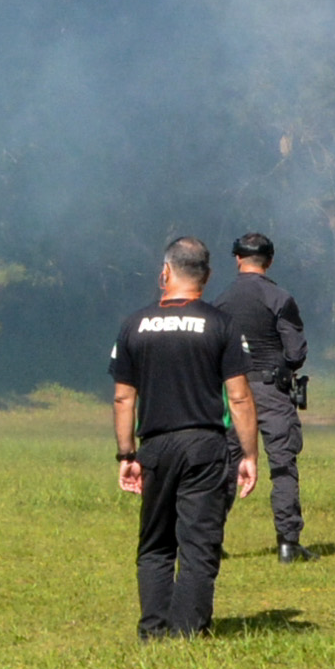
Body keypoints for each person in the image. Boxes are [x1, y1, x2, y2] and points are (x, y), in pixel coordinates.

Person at [111, 238, 263, 639]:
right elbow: (239, 396)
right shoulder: (221, 324)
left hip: (155, 446)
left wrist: (127, 454)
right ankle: (188, 632)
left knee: (156, 544)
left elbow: (124, 398)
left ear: (165, 272)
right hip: (204, 446)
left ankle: (153, 629)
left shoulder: (134, 325)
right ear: (207, 276)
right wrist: (249, 454)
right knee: (198, 544)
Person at [205, 232, 310, 560]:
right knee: (282, 464)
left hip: (233, 390)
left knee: (227, 464)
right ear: (270, 260)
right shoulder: (280, 298)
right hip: (272, 389)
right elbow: (296, 353)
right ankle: (288, 544)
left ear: (238, 259)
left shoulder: (221, 301)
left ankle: (210, 543)